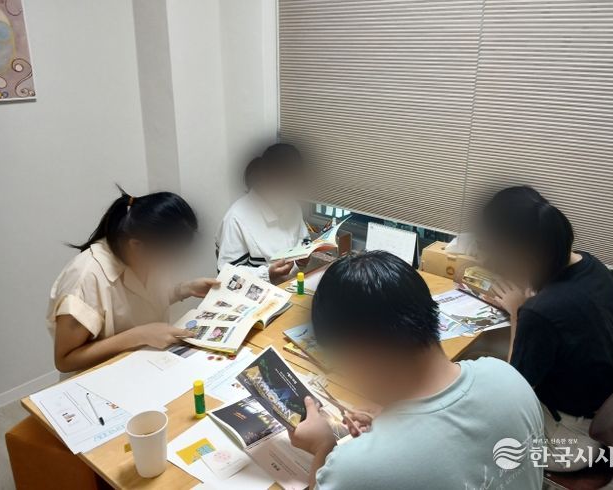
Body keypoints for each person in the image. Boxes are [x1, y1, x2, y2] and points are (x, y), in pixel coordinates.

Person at [289, 251, 544, 489]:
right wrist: (393, 416)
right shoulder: (507, 376)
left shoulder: (353, 469)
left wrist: (323, 447)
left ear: (359, 351)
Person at [479, 186, 613, 471]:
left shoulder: (540, 313)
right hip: (598, 420)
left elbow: (513, 391)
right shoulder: (593, 266)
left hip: (565, 441)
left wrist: (518, 313)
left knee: (467, 427)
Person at [48, 187, 219, 373]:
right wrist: (139, 335)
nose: (170, 261)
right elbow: (65, 360)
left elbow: (143, 300)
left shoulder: (145, 255)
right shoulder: (86, 276)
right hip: (100, 379)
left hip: (148, 366)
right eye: (169, 254)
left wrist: (187, 289)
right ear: (137, 245)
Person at [215, 143, 310, 284]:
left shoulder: (293, 207)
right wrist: (267, 274)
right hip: (254, 294)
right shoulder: (236, 217)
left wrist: (302, 260)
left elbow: (303, 242)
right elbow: (226, 275)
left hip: (288, 287)